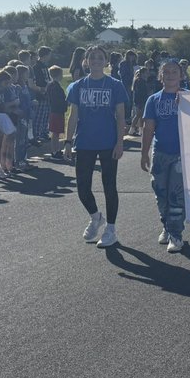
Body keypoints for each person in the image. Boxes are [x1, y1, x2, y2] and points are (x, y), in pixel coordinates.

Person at [64, 45, 129, 248]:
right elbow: (73, 115)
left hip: (108, 142)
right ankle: (95, 216)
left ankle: (111, 228)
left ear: (106, 61)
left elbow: (120, 117)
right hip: (84, 142)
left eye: (100, 58)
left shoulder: (115, 85)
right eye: (92, 58)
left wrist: (120, 142)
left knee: (109, 186)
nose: (96, 61)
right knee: (82, 187)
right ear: (86, 61)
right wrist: (67, 142)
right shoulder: (78, 86)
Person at [141, 61, 186, 252]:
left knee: (176, 194)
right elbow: (148, 127)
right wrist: (144, 153)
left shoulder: (188, 98)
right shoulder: (153, 100)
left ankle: (176, 234)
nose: (170, 75)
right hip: (160, 153)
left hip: (181, 154)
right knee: (161, 193)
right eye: (166, 72)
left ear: (181, 75)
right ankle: (166, 226)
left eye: (174, 71)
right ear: (161, 76)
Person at [46, 65, 68, 159]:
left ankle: (57, 150)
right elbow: (57, 100)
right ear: (59, 75)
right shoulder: (55, 87)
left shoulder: (52, 85)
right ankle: (54, 151)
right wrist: (65, 103)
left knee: (57, 132)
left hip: (56, 111)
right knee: (55, 132)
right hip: (56, 112)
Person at [31, 46, 52, 141]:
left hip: (47, 93)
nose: (50, 57)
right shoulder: (37, 66)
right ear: (45, 55)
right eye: (49, 54)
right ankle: (37, 134)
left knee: (46, 114)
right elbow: (38, 81)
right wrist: (42, 90)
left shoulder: (45, 66)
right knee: (40, 115)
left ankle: (44, 132)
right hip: (41, 94)